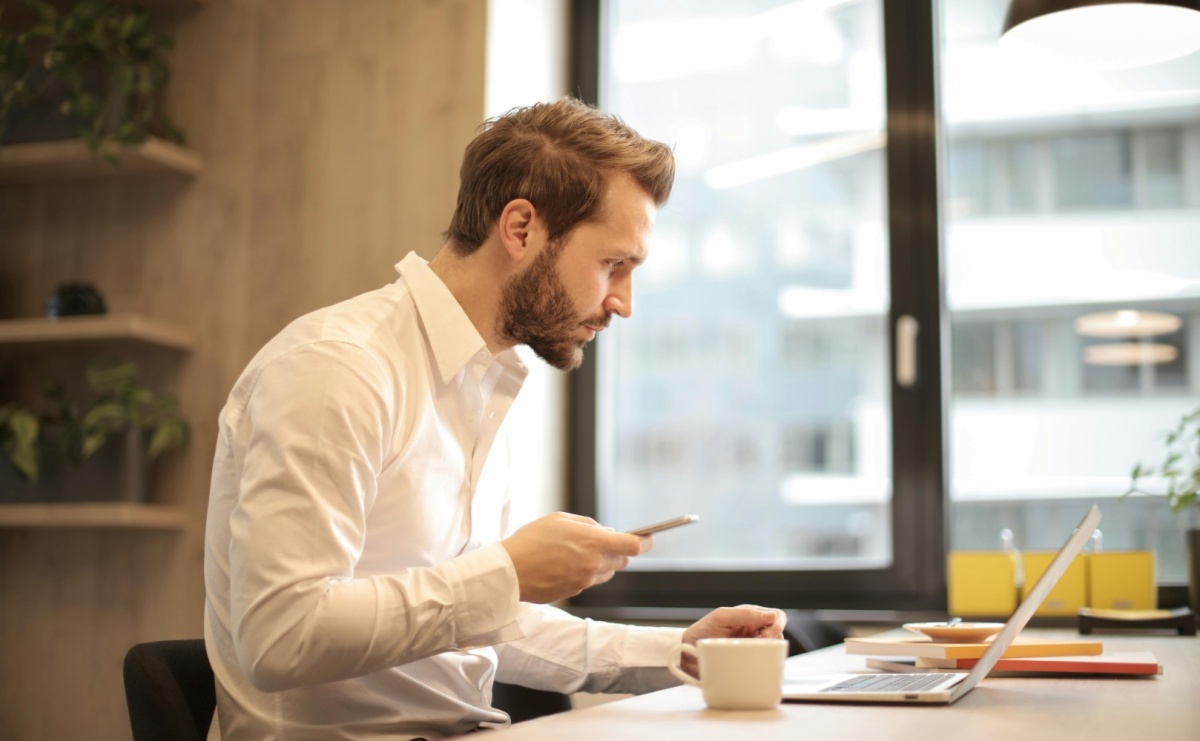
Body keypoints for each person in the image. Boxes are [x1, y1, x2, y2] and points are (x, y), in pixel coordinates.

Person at [204, 97, 786, 741]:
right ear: (520, 229)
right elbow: (280, 635)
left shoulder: (485, 380)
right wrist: (507, 572)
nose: (622, 303)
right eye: (612, 265)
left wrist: (678, 652)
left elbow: (472, 619)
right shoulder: (337, 368)